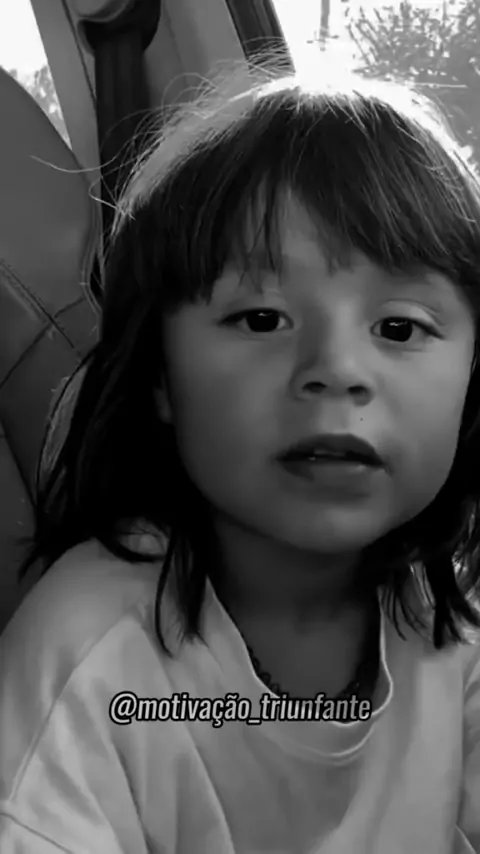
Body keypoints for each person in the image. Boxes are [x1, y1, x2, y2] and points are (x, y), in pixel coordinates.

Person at [1, 55, 480, 854]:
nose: (336, 369)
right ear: (159, 374)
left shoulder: (452, 620)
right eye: (261, 319)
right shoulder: (89, 651)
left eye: (398, 328)